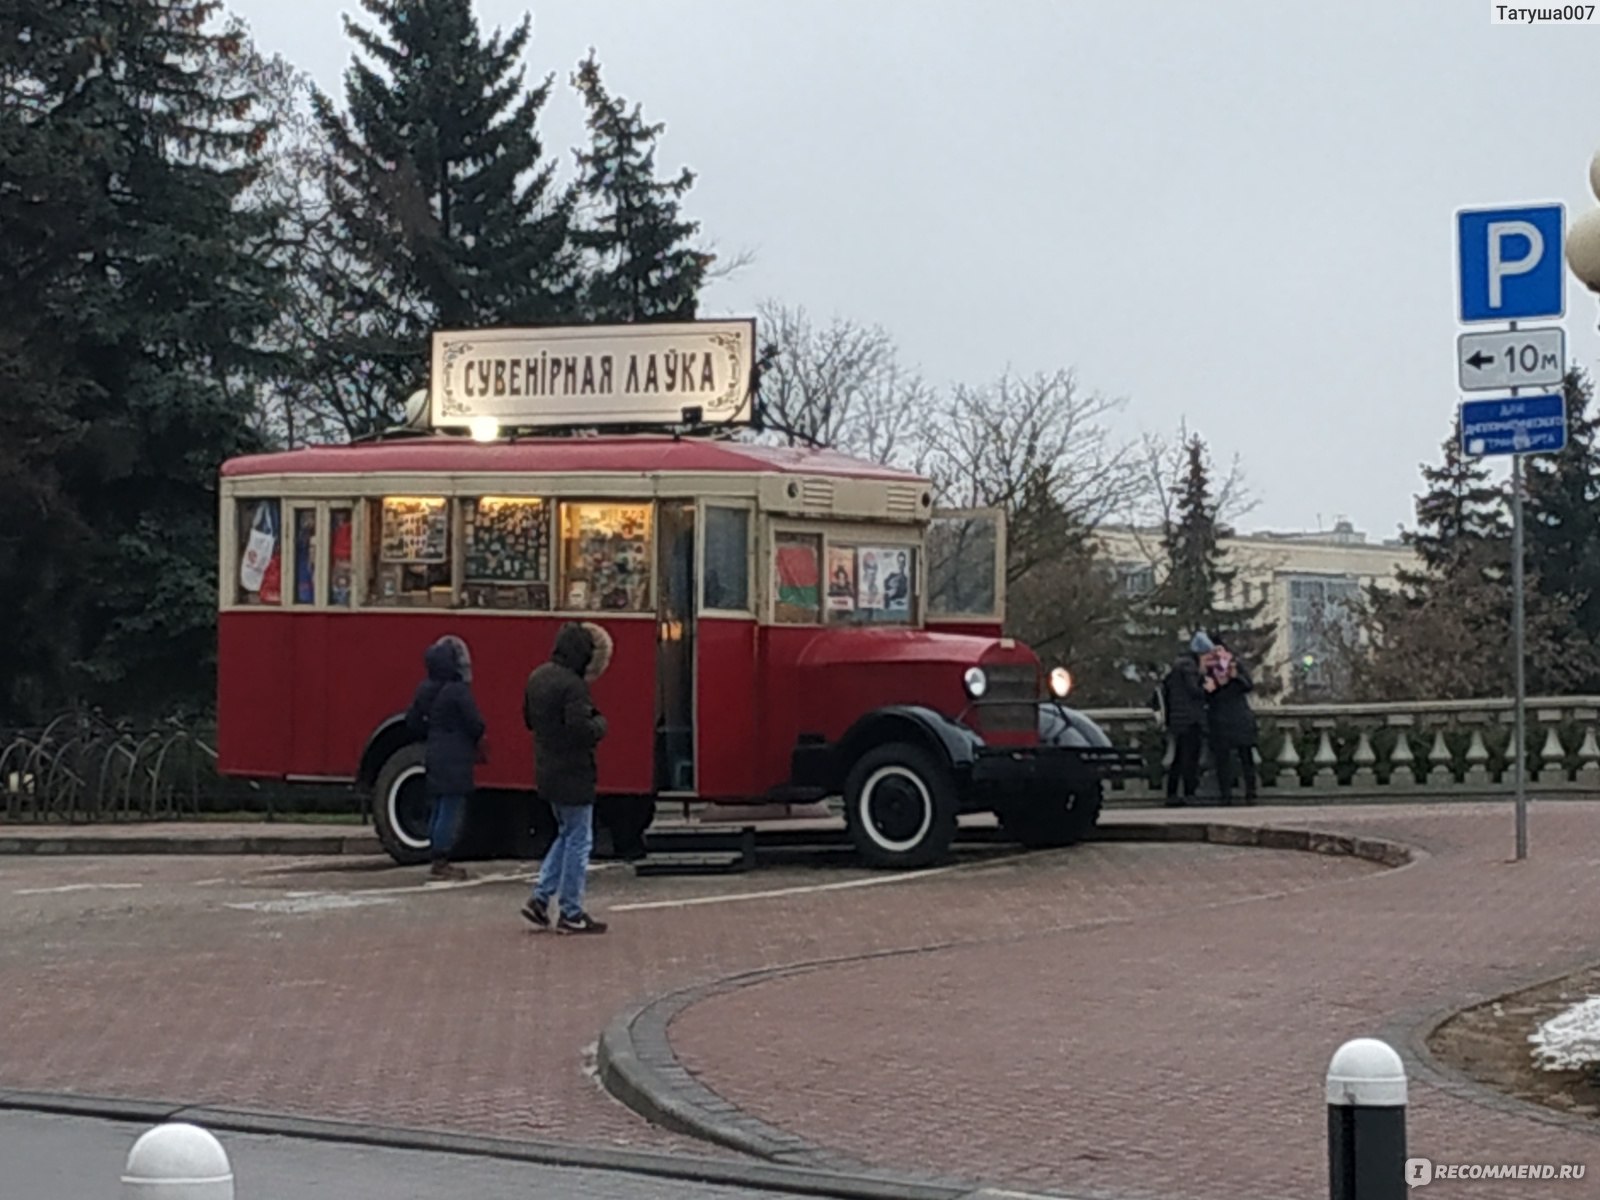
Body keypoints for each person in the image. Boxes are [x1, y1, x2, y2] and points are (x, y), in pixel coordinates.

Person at [521, 621, 613, 934]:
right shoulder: (574, 686)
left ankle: (541, 898)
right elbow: (581, 729)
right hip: (573, 772)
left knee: (566, 833)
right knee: (579, 839)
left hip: (546, 768)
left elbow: (528, 719)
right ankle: (571, 911)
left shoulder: (538, 676)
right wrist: (600, 723)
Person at [404, 635, 485, 881]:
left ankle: (435, 853)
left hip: (434, 751)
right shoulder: (458, 691)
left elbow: (412, 721)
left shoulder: (425, 689)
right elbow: (476, 723)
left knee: (438, 804)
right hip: (456, 754)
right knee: (450, 806)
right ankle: (441, 859)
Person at [1203, 634, 1258, 805]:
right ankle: (1225, 795)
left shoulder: (1236, 666)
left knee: (1246, 758)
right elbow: (1205, 694)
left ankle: (1251, 792)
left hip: (1240, 718)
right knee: (1222, 761)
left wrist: (1235, 676)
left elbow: (1248, 685)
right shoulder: (1208, 671)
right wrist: (1216, 683)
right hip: (1219, 720)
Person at [1159, 634, 1210, 806]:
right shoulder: (1190, 669)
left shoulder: (1177, 669)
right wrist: (1205, 682)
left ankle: (1172, 793)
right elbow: (1196, 692)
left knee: (1179, 758)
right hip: (1190, 721)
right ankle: (1189, 793)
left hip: (1178, 720)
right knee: (1189, 759)